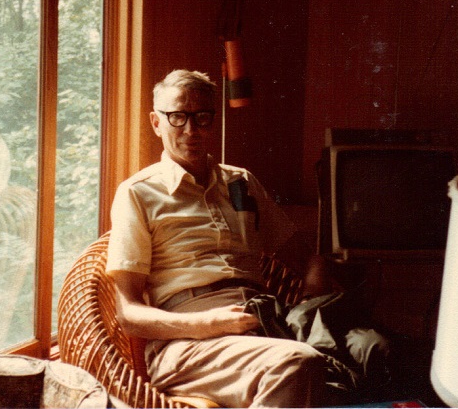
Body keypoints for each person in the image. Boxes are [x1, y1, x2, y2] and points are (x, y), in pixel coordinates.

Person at [106, 69, 388, 407]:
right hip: (188, 342)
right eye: (177, 117)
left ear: (213, 120)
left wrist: (311, 297)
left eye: (202, 117)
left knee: (375, 350)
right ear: (156, 122)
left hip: (263, 323)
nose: (191, 130)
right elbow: (129, 314)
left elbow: (305, 257)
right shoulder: (138, 193)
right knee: (296, 363)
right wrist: (208, 323)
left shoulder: (241, 182)